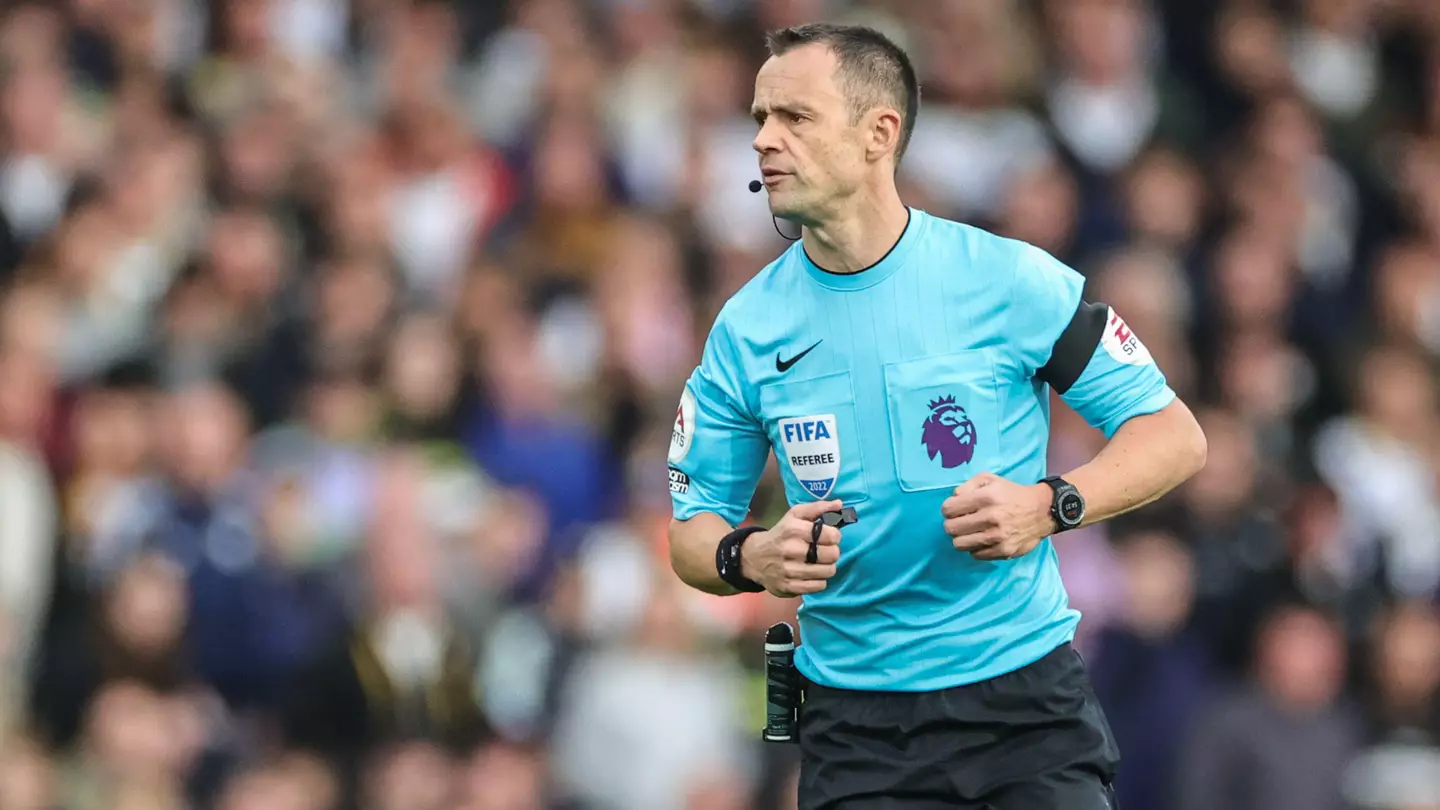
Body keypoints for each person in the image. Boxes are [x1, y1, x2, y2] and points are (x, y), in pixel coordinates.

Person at [665, 23, 1208, 810]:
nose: (763, 142)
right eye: (758, 119)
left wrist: (1047, 505)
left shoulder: (1009, 280)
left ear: (878, 133)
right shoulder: (747, 331)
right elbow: (691, 529)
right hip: (858, 733)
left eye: (794, 117)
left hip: (1024, 711)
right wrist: (751, 558)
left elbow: (1174, 436)